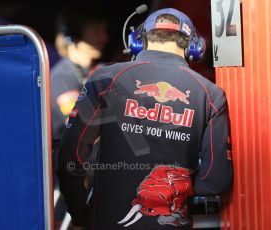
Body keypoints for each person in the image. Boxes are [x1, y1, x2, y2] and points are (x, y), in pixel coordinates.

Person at [57, 8, 233, 230]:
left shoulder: (105, 80)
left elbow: (69, 160)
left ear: (137, 42)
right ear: (194, 47)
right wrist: (177, 189)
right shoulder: (211, 95)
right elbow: (216, 180)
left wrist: (80, 214)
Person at [51, 5, 109, 149]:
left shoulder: (97, 71)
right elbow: (81, 128)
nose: (104, 38)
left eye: (104, 31)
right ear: (74, 33)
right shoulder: (62, 77)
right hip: (70, 165)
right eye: (96, 31)